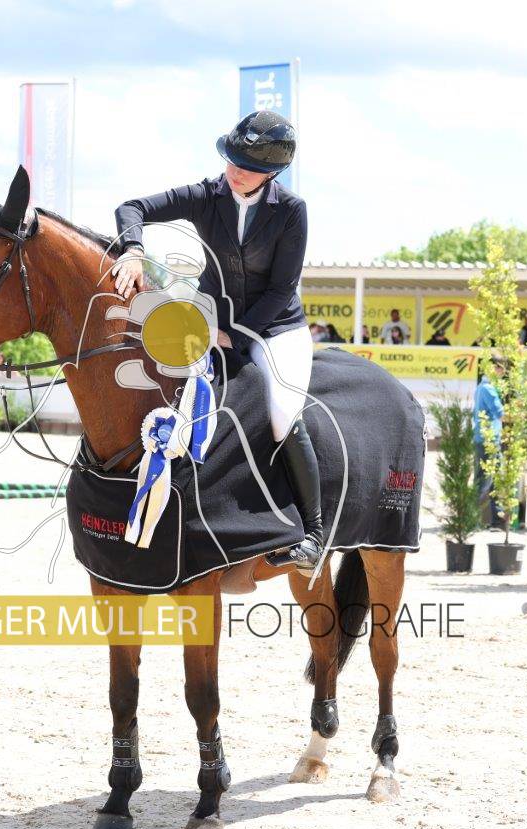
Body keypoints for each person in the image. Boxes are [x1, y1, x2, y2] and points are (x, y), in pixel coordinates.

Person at [110, 110, 324, 569]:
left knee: (282, 412)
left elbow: (281, 290)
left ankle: (314, 533)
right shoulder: (207, 195)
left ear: (271, 173)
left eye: (245, 167)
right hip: (209, 321)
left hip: (275, 328)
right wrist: (133, 249)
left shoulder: (291, 211)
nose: (233, 171)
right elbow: (132, 207)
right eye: (231, 159)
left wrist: (235, 335)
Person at [473, 360, 505, 527]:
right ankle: (476, 519)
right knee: (487, 481)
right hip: (489, 440)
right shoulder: (488, 388)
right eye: (501, 370)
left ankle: (493, 519)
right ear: (494, 368)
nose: (502, 374)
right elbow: (500, 413)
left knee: (488, 480)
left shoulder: (480, 387)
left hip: (482, 438)